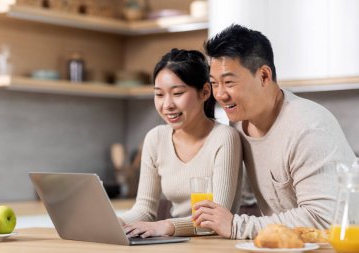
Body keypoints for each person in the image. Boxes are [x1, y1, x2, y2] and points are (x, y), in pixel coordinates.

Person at [192, 24, 356, 239]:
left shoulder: (308, 126)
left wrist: (237, 225)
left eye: (229, 82)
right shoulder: (239, 125)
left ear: (264, 76)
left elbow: (323, 219)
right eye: (214, 83)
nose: (220, 94)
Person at [119, 48, 242, 238]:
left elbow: (215, 218)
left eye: (177, 93)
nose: (167, 105)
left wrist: (166, 226)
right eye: (159, 94)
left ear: (205, 92)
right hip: (177, 243)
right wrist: (116, 222)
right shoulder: (155, 138)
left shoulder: (224, 137)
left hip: (216, 244)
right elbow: (144, 209)